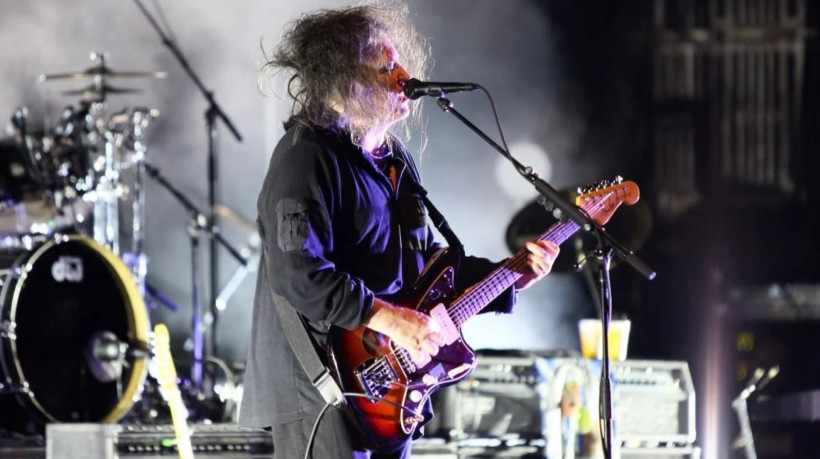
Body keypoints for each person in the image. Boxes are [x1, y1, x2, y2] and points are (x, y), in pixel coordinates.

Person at [239, 2, 560, 458]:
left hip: (388, 387)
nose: (404, 75)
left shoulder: (395, 161)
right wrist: (389, 319)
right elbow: (299, 275)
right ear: (343, 77)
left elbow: (426, 272)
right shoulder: (305, 156)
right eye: (386, 66)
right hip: (321, 388)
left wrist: (512, 276)